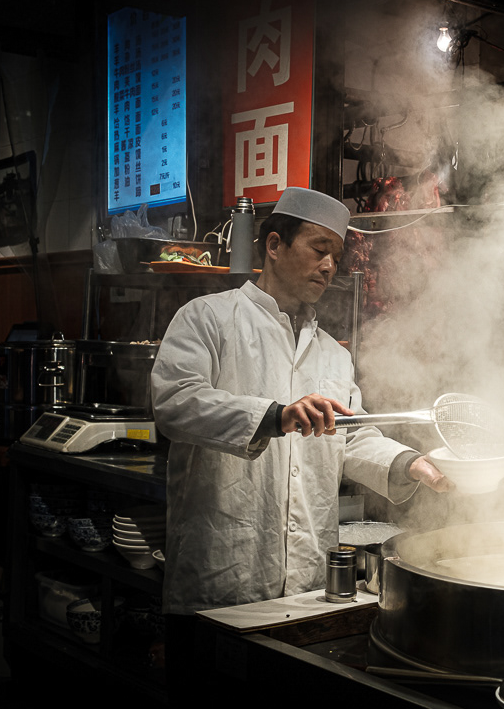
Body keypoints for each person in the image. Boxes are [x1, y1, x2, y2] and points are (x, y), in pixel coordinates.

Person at [149, 187, 451, 697]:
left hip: (308, 591)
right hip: (222, 579)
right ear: (274, 245)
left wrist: (414, 464)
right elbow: (175, 403)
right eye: (318, 249)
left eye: (337, 255)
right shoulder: (208, 318)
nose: (329, 265)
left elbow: (352, 437)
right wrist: (274, 416)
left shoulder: (333, 354)